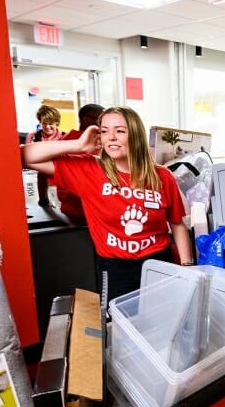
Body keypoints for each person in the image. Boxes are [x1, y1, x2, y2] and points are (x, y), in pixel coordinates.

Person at [21, 106, 194, 304]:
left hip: (158, 263)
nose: (111, 137)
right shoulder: (89, 170)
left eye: (119, 131)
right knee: (121, 326)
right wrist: (77, 145)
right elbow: (24, 156)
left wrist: (187, 268)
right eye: (104, 131)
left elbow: (177, 224)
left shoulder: (162, 176)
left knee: (162, 322)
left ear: (135, 135)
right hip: (115, 268)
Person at [26, 104, 104, 222]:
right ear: (86, 119)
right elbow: (40, 169)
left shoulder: (64, 141)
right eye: (100, 119)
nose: (103, 123)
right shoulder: (71, 144)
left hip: (76, 210)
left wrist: (43, 200)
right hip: (84, 211)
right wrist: (44, 200)